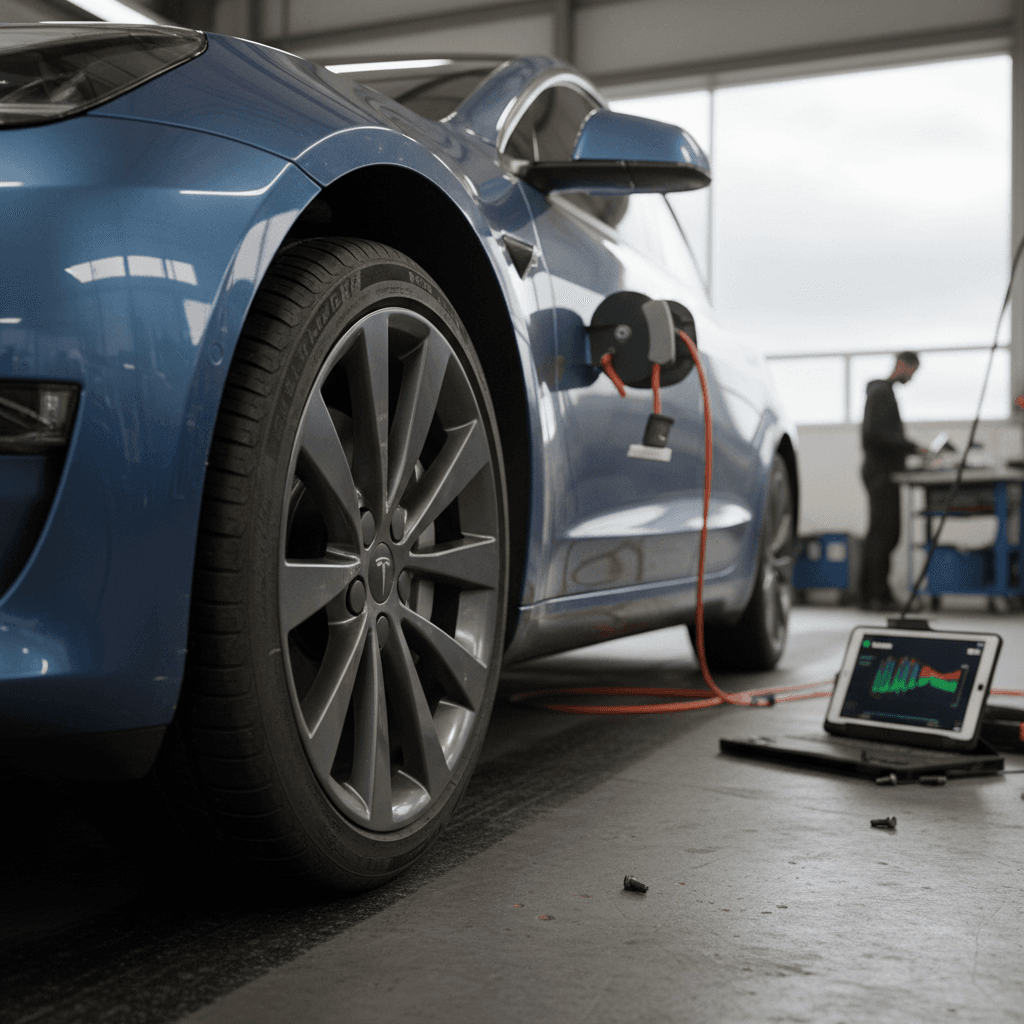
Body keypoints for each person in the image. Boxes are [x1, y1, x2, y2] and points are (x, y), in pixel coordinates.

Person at [858, 351, 926, 611]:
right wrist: (910, 447)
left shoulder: (884, 393)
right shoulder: (881, 393)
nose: (912, 377)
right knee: (882, 535)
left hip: (885, 471)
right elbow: (874, 434)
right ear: (901, 365)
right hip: (880, 472)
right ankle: (875, 596)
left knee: (885, 534)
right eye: (912, 370)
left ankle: (874, 594)